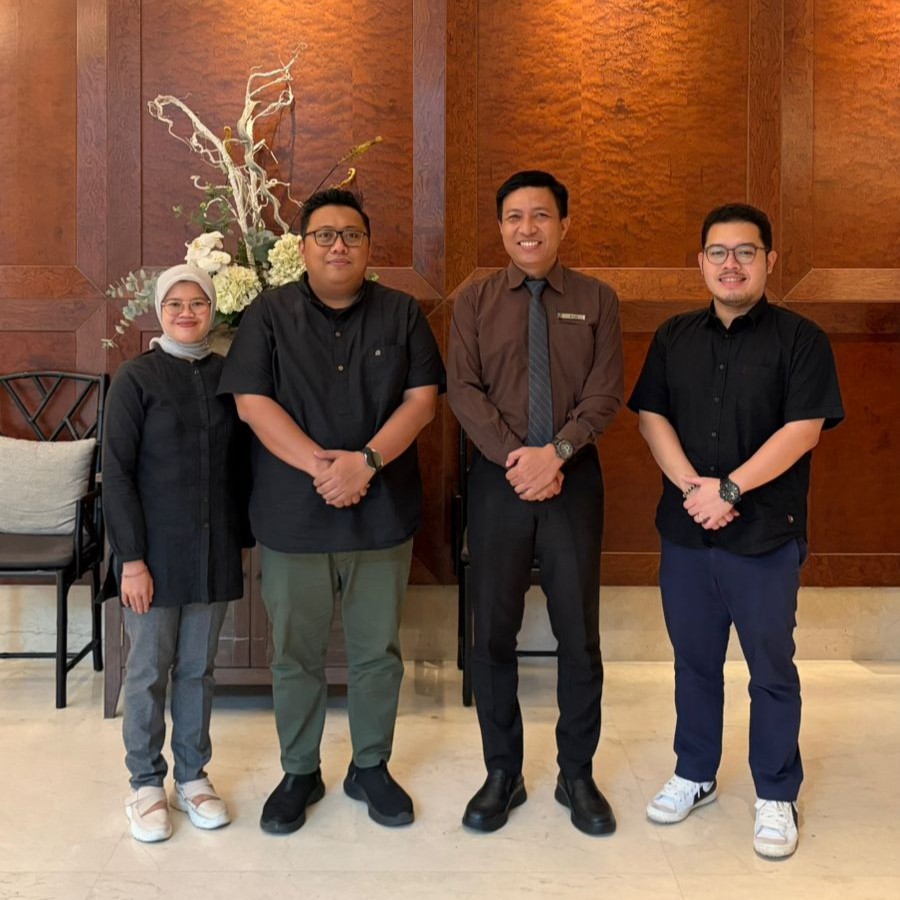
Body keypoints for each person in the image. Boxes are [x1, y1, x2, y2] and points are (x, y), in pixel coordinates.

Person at [218, 188, 444, 834]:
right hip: (293, 516)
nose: (338, 245)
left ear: (368, 247)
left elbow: (423, 401)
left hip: (381, 514)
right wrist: (325, 468)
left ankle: (371, 766)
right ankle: (299, 770)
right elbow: (252, 403)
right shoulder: (267, 314)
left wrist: (364, 464)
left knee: (378, 653)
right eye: (324, 235)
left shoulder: (401, 312)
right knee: (295, 655)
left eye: (351, 234)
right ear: (303, 247)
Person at [627, 203, 844, 858]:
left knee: (770, 669)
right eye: (718, 252)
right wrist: (694, 489)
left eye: (745, 252)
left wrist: (728, 489)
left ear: (769, 261)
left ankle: (776, 791)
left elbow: (803, 430)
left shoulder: (802, 339)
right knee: (694, 663)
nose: (731, 264)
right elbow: (651, 417)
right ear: (701, 262)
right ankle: (695, 773)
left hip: (765, 537)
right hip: (687, 534)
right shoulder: (673, 337)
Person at [447, 170, 624, 835]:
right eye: (515, 217)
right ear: (501, 227)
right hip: (500, 481)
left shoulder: (597, 299)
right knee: (493, 631)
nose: (528, 228)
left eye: (541, 215)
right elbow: (463, 390)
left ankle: (576, 773)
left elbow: (605, 391)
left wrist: (558, 453)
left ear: (564, 224)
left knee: (579, 633)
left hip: (574, 479)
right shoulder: (475, 299)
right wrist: (518, 459)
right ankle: (503, 772)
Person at [103, 264, 253, 843]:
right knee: (147, 672)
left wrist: (241, 538)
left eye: (198, 303)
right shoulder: (136, 378)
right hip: (152, 558)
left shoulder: (227, 375)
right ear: (159, 311)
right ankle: (145, 783)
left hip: (212, 550)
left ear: (212, 310)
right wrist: (131, 560)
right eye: (175, 304)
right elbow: (117, 474)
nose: (186, 313)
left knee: (197, 670)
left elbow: (241, 465)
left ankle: (192, 776)